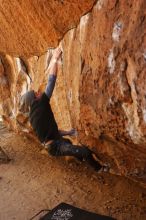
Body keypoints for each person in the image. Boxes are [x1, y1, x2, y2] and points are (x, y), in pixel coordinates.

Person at [20, 48, 104, 172]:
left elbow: (53, 132)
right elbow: (51, 82)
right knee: (85, 151)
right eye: (36, 93)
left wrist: (69, 132)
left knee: (68, 141)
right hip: (54, 147)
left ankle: (79, 159)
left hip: (52, 144)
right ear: (34, 100)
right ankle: (100, 169)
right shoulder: (40, 105)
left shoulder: (34, 115)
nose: (39, 93)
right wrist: (55, 59)